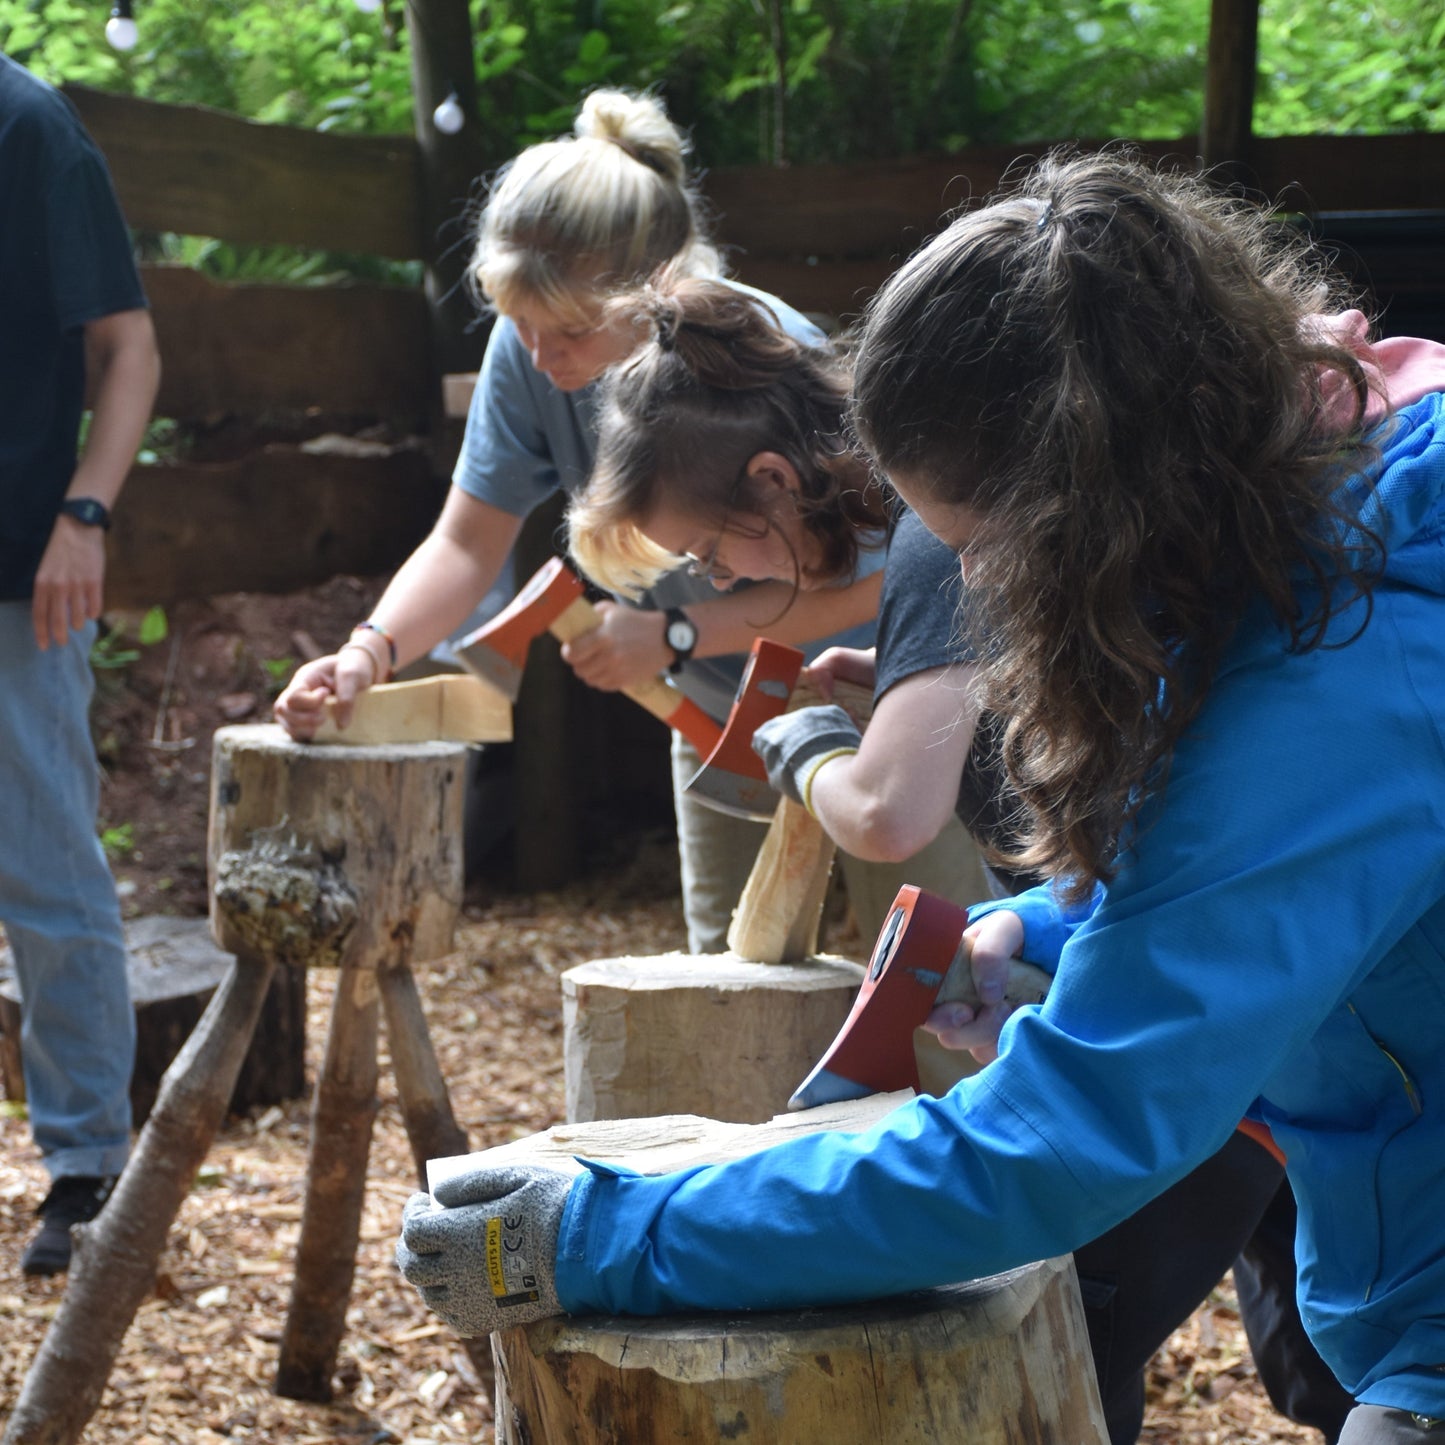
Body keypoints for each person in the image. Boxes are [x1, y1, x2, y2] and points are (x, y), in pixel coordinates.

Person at [396, 151, 1445, 1444]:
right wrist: (1053, 937)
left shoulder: (1350, 669)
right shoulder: (1319, 519)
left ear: (1088, 504)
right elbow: (1329, 883)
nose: (984, 598)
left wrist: (608, 1234)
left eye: (986, 551)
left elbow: (1051, 1146)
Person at [567, 274, 1351, 1443]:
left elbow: (887, 813)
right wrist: (1030, 909)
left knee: (1074, 1318)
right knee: (1318, 1344)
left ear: (774, 482)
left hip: (1233, 995)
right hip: (1258, 985)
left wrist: (812, 752)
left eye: (713, 558)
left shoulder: (943, 542)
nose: (717, 589)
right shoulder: (948, 540)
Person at [273, 88, 907, 953]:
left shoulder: (773, 363)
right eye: (517, 324)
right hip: (716, 706)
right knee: (727, 977)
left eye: (564, 330)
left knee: (924, 973)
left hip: (878, 691)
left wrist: (676, 632)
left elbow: (878, 581)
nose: (538, 356)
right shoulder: (532, 346)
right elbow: (465, 541)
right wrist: (368, 652)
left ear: (656, 296)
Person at [1, 55, 161, 1276]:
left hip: (21, 567)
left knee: (48, 866)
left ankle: (87, 1166)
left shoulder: (32, 129)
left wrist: (85, 514)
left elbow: (127, 347)